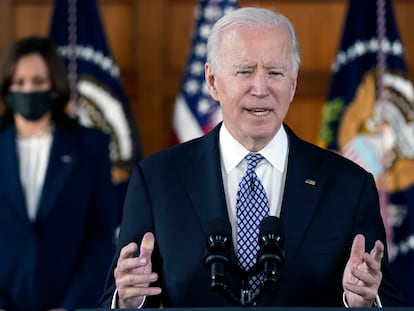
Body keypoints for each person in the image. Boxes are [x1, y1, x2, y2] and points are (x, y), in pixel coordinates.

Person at [98, 7, 406, 308]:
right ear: (212, 81)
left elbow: (387, 298)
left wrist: (364, 304)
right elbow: (117, 296)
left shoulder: (350, 186)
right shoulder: (156, 181)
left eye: (275, 72)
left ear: (293, 82)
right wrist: (128, 302)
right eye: (245, 71)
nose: (261, 89)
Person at [0, 36, 118, 311]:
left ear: (54, 86)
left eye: (38, 82)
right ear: (7, 88)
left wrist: (70, 306)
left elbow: (102, 236)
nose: (28, 90)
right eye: (19, 83)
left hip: (70, 305)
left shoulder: (91, 146)